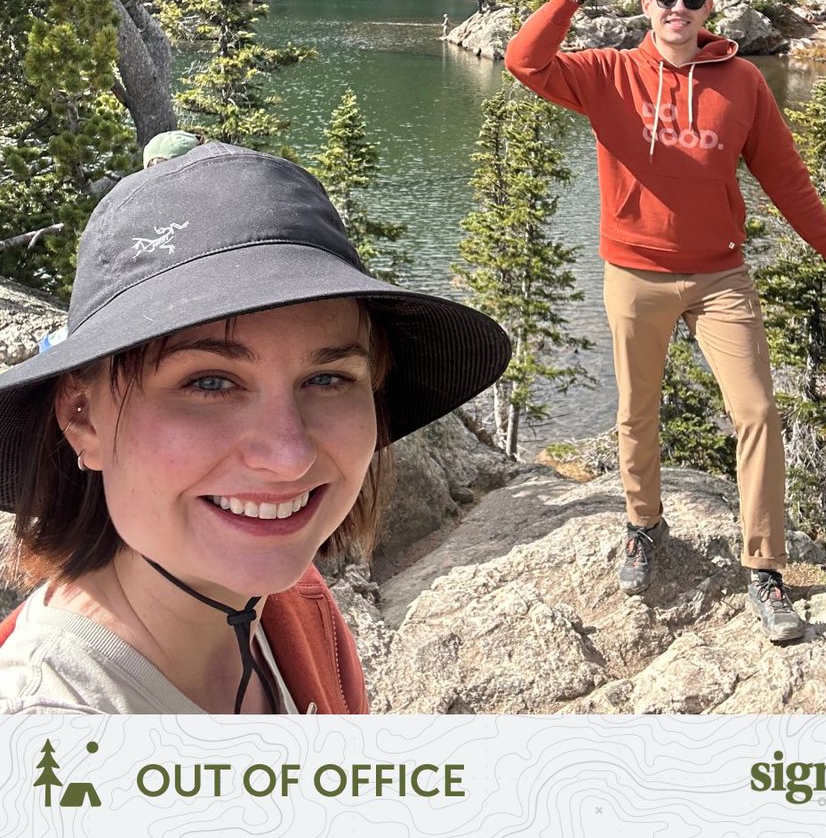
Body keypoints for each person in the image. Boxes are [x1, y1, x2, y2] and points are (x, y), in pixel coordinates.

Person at [0, 142, 510, 712]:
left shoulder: (291, 608)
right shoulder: (54, 722)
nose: (289, 456)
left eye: (328, 379)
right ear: (82, 418)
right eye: (210, 383)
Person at [504, 0, 826, 642]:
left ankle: (764, 571)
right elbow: (523, 61)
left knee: (757, 412)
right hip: (634, 275)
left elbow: (787, 180)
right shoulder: (607, 74)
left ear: (709, 9)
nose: (678, 9)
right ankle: (643, 526)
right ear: (645, 5)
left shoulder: (742, 85)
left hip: (721, 279)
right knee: (638, 411)